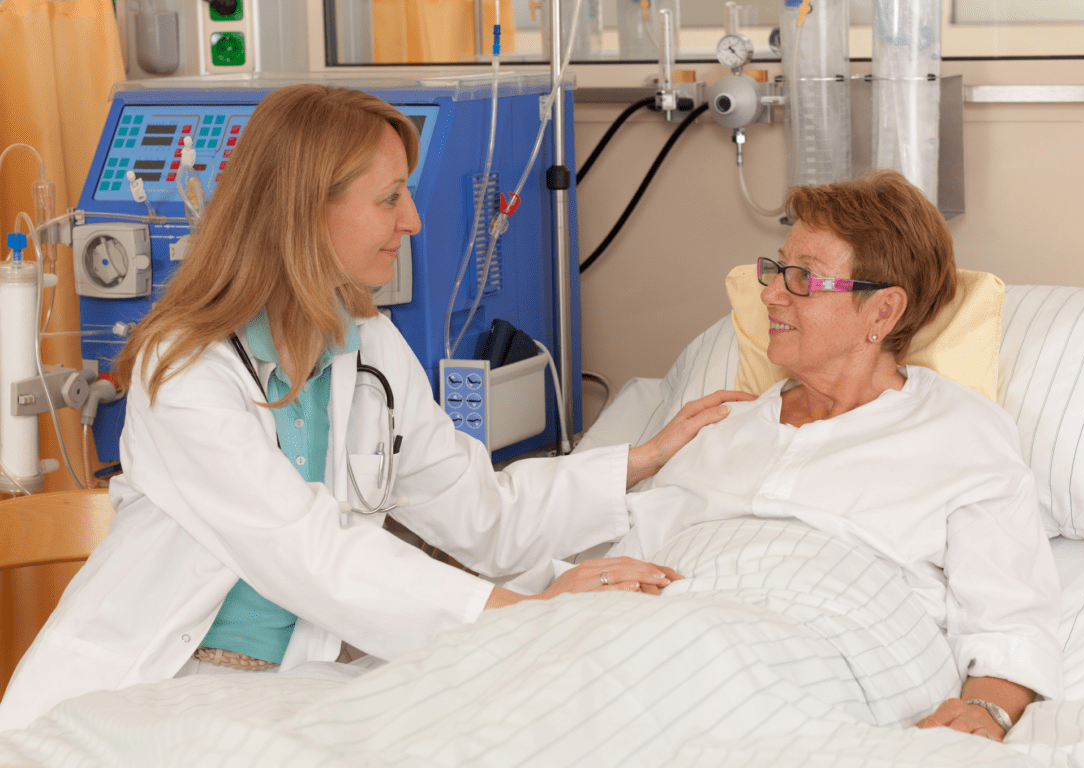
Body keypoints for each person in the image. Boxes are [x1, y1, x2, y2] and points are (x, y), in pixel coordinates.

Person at [0, 84, 750, 730]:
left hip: (292, 685)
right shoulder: (185, 370)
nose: (413, 220)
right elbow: (310, 553)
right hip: (158, 681)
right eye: (390, 198)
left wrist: (639, 460)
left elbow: (477, 512)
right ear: (306, 213)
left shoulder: (366, 343)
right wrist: (527, 613)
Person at [611, 170, 1063, 742]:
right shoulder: (723, 423)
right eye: (777, 269)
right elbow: (632, 558)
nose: (771, 293)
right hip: (669, 637)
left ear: (882, 312)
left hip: (833, 647)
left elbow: (1011, 617)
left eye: (803, 277)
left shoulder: (961, 430)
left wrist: (987, 712)